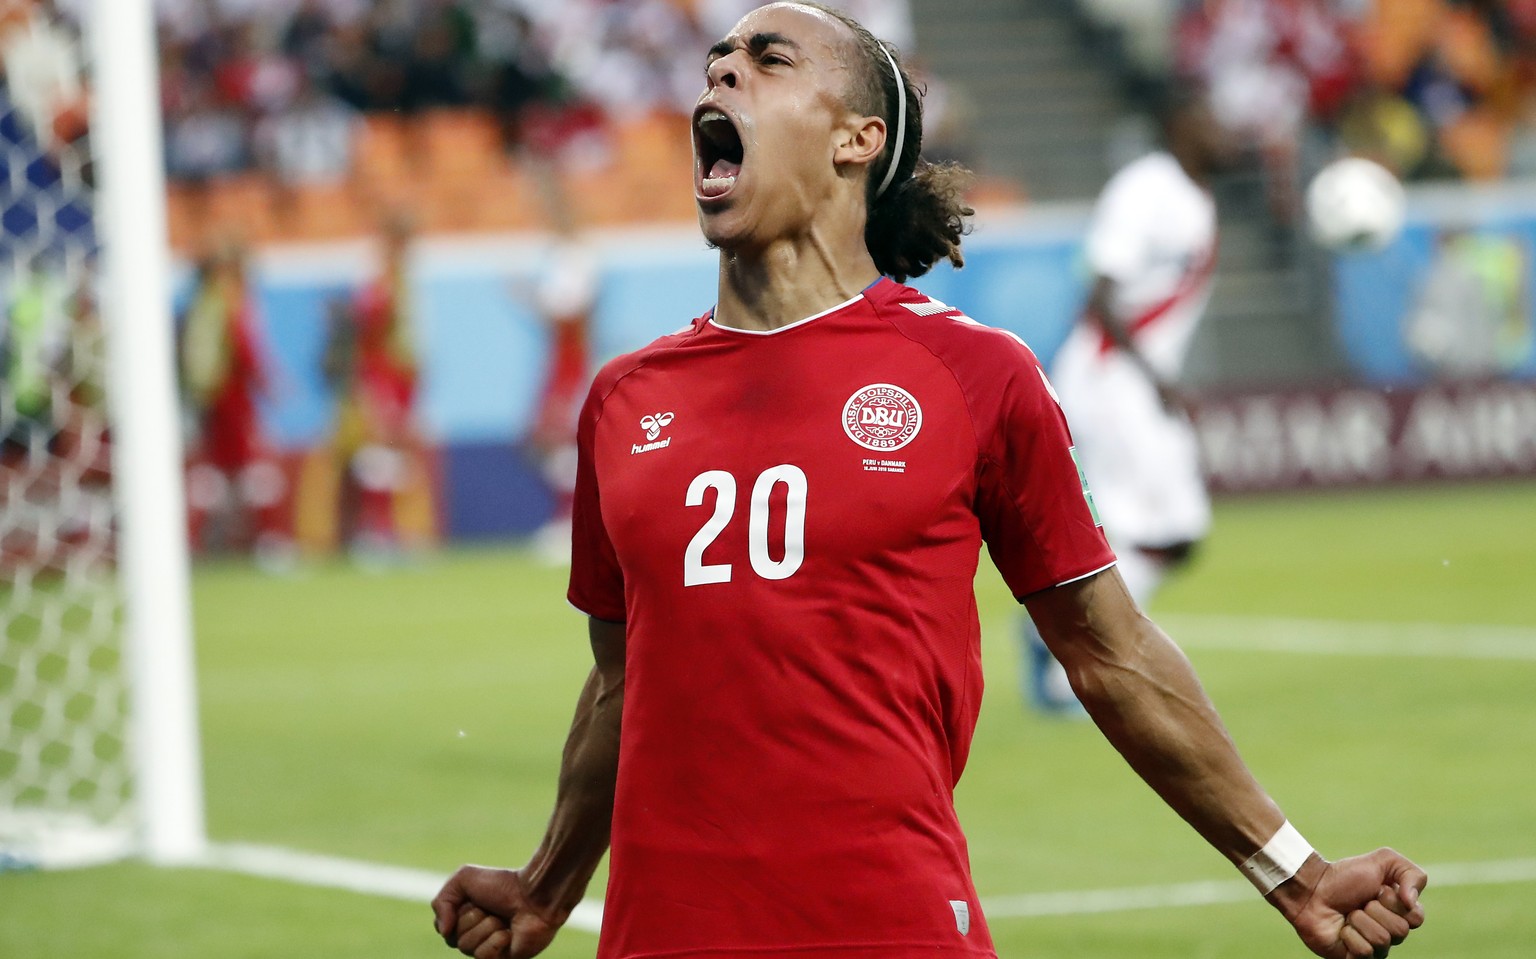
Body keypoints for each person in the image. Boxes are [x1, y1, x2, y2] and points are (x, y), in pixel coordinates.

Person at [431, 5, 1428, 959]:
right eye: (718, 61)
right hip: (661, 931)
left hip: (893, 923)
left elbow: (1111, 653)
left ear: (856, 139)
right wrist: (547, 885)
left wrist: (1297, 874)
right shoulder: (621, 400)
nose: (724, 69)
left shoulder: (973, 376)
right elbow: (621, 679)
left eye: (769, 59)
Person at [1023, 90, 1223, 716]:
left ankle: (1052, 640)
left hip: (1133, 381)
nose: (1225, 129)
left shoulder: (1195, 199)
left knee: (1164, 534)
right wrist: (1155, 379)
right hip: (1110, 377)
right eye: (1209, 114)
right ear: (1180, 121)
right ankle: (1066, 665)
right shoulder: (1147, 189)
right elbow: (1104, 289)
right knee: (1165, 531)